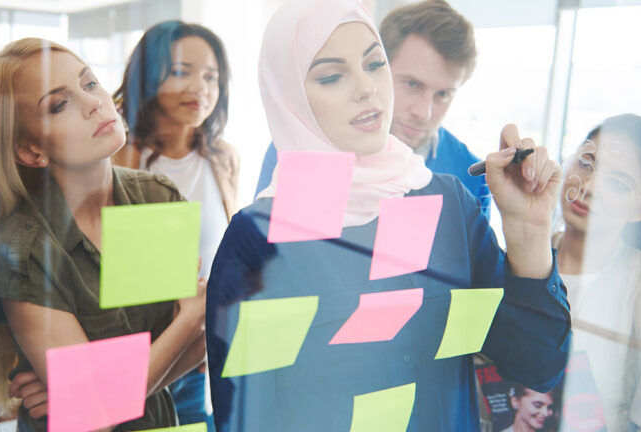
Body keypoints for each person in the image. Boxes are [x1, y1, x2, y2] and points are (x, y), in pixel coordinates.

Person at [205, 0, 570, 431]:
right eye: (331, 76)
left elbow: (536, 365)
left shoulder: (446, 202)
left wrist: (528, 232)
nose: (366, 88)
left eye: (374, 64)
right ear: (289, 99)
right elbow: (248, 416)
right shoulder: (259, 237)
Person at [0, 38, 206, 431]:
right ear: (30, 151)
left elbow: (198, 349)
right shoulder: (23, 249)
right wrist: (188, 321)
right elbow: (190, 329)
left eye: (90, 83)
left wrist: (99, 394)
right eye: (60, 104)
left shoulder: (155, 198)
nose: (95, 103)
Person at [253, 0, 490, 218]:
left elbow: (478, 265)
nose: (423, 113)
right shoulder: (300, 151)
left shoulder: (472, 175)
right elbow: (269, 252)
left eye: (443, 94)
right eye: (412, 84)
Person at [113, 20, 237, 430]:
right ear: (147, 77)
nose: (201, 88)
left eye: (211, 76)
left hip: (201, 354)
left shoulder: (223, 159)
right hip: (132, 355)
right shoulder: (114, 157)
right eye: (181, 72)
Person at [553, 114, 641, 431]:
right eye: (586, 163)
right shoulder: (518, 258)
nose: (588, 187)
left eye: (618, 184)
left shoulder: (637, 286)